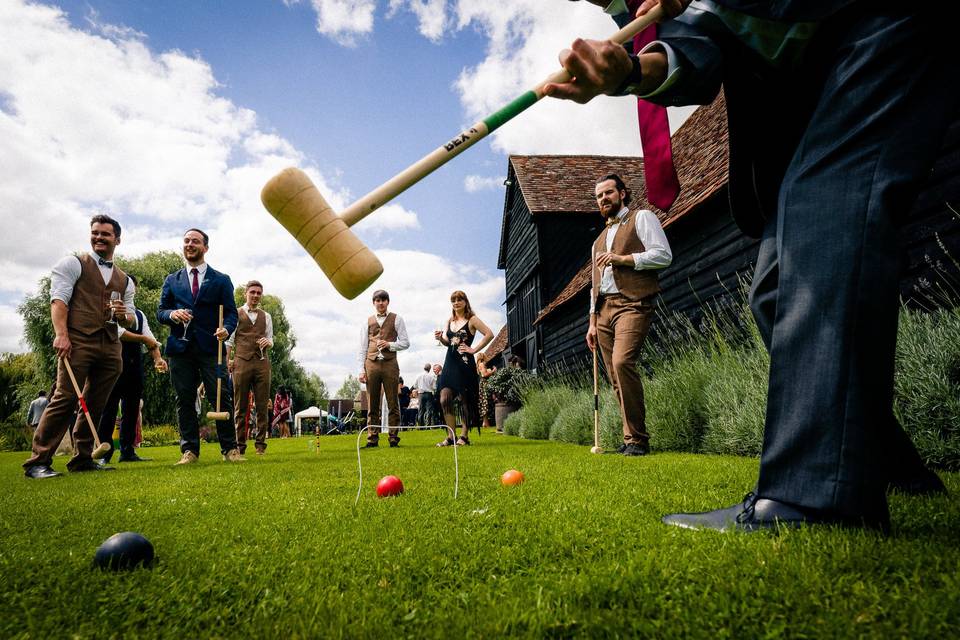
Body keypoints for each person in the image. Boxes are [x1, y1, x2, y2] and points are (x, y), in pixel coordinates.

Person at [554, 0, 952, 530]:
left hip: (881, 23)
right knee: (777, 289)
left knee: (823, 208)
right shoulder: (666, 10)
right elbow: (698, 48)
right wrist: (629, 71)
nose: (627, 7)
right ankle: (882, 463)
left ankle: (812, 498)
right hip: (823, 75)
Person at [23, 214, 135, 478]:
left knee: (97, 402)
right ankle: (38, 461)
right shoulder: (73, 264)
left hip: (110, 346)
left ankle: (83, 458)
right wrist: (61, 334)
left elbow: (130, 319)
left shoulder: (125, 280)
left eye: (105, 234)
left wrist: (123, 316)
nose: (98, 237)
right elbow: (59, 300)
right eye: (95, 232)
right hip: (78, 340)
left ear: (117, 240)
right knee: (65, 397)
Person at [587, 173, 672, 456]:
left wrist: (622, 259)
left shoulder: (642, 218)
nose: (603, 199)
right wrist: (591, 323)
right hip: (603, 311)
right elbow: (594, 284)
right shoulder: (598, 241)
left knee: (623, 362)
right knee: (614, 375)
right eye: (599, 196)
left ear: (622, 193)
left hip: (633, 303)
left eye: (608, 193)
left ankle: (638, 439)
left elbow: (663, 255)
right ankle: (630, 438)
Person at [158, 228, 244, 465]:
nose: (189, 244)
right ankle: (190, 451)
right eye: (186, 241)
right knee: (184, 399)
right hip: (180, 349)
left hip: (211, 350)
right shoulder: (171, 280)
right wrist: (172, 314)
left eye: (195, 241)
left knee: (221, 397)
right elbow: (160, 312)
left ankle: (230, 449)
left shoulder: (221, 280)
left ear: (205, 247)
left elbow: (231, 313)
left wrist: (226, 329)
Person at [97, 274, 168, 463]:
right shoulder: (108, 311)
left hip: (134, 366)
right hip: (112, 366)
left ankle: (127, 451)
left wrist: (158, 359)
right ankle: (105, 453)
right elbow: (118, 333)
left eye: (132, 287)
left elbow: (150, 337)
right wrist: (143, 339)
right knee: (109, 409)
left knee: (132, 409)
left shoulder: (140, 315)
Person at [434, 291, 494, 446]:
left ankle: (464, 436)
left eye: (459, 299)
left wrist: (474, 349)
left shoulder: (472, 319)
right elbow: (448, 342)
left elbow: (489, 334)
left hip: (465, 364)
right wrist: (441, 338)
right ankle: (450, 436)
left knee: (465, 400)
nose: (456, 302)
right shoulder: (449, 320)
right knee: (444, 398)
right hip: (449, 363)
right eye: (453, 300)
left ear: (465, 302)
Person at [357, 289, 410, 448]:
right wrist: (361, 369)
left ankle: (393, 439)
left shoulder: (397, 319)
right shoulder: (367, 322)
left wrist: (390, 345)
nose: (380, 303)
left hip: (390, 364)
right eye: (377, 300)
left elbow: (406, 342)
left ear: (388, 302)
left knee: (393, 402)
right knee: (372, 404)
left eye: (383, 300)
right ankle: (372, 439)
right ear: (374, 303)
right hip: (371, 364)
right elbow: (362, 347)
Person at [227, 280, 273, 456]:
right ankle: (239, 446)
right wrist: (227, 361)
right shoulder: (235, 313)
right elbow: (229, 341)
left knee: (262, 406)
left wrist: (268, 342)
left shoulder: (266, 316)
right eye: (252, 292)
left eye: (258, 293)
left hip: (262, 363)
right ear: (245, 293)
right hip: (241, 362)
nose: (255, 295)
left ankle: (260, 446)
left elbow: (271, 339)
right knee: (240, 406)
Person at [476, 353, 497, 429]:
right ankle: (486, 423)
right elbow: (484, 375)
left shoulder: (479, 365)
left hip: (483, 384)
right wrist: (493, 371)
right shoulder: (482, 364)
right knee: (486, 403)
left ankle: (484, 422)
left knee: (485, 403)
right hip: (484, 384)